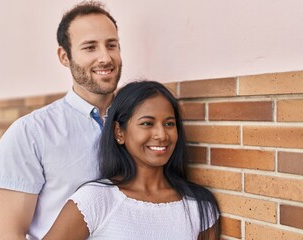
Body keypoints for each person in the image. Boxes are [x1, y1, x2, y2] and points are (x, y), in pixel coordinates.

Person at [0, 1, 122, 239]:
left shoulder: (139, 123)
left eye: (111, 45)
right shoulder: (30, 134)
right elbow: (6, 234)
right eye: (90, 47)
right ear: (65, 56)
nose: (105, 57)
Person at [42, 80, 220, 240]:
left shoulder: (200, 205)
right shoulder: (95, 200)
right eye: (147, 123)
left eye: (169, 124)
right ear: (119, 132)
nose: (162, 134)